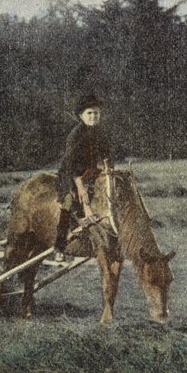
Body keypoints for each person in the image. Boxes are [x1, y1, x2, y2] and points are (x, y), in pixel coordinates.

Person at [54, 95, 113, 261]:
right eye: (90, 113)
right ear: (81, 116)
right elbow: (71, 165)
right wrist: (80, 188)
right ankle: (59, 246)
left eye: (96, 113)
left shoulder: (101, 133)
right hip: (70, 175)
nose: (93, 116)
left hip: (91, 173)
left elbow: (107, 156)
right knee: (69, 201)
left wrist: (108, 168)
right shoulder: (75, 135)